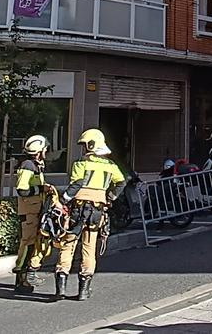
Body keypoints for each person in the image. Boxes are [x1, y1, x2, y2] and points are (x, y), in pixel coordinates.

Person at [55, 128, 126, 301]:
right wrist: (109, 198)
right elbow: (121, 182)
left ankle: (61, 289)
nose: (84, 148)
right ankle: (84, 291)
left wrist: (62, 201)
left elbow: (76, 184)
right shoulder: (111, 166)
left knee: (68, 244)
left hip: (77, 210)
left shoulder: (80, 163)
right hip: (97, 212)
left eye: (85, 145)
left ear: (91, 145)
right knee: (89, 248)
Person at [13, 135, 53, 294]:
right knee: (27, 243)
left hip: (35, 211)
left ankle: (24, 278)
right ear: (38, 151)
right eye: (44, 149)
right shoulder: (28, 166)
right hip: (29, 212)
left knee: (33, 243)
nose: (46, 152)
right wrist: (40, 189)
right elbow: (22, 189)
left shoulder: (35, 165)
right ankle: (21, 277)